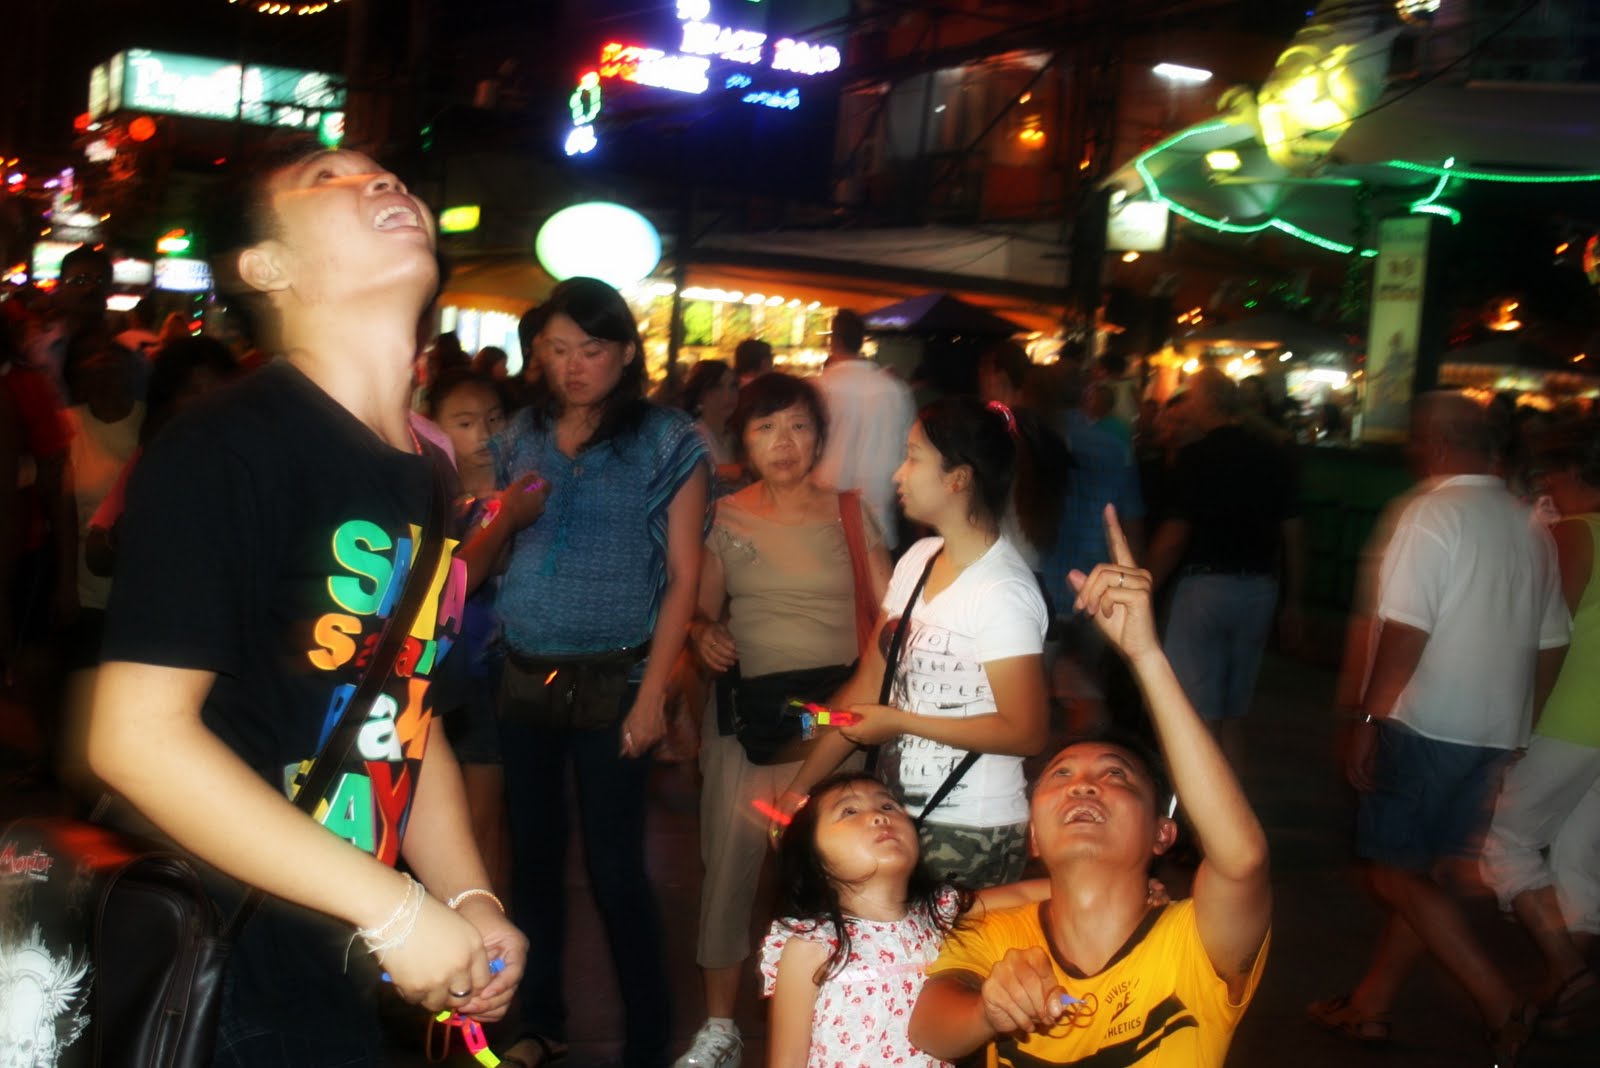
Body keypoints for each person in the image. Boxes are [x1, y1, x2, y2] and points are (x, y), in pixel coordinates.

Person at [85, 142, 532, 1066]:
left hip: (337, 965)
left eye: (385, 172)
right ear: (267, 266)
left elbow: (405, 717)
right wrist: (396, 909)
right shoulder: (227, 445)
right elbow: (134, 738)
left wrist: (469, 900)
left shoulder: (422, 472)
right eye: (329, 178)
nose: (383, 181)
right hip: (226, 962)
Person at [907, 505, 1272, 1066]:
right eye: (1060, 775)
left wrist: (1146, 656)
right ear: (1032, 836)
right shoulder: (998, 937)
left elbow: (1241, 859)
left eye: (1115, 775)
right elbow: (930, 1029)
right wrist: (988, 1012)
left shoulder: (1195, 943)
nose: (1083, 786)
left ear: (1163, 833)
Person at [1310, 392, 1569, 1062]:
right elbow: (1553, 642)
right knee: (1424, 877)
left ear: (1438, 443)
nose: (1413, 451)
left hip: (1425, 723)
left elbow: (1404, 631)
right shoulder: (1528, 524)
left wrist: (1368, 718)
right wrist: (1522, 726)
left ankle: (1500, 1004)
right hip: (1494, 732)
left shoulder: (1430, 513)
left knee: (1393, 874)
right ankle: (1371, 1005)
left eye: (1418, 439)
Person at [492, 275, 709, 1068]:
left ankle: (647, 1039)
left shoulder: (666, 439)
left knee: (617, 868)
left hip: (617, 678)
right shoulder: (520, 434)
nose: (573, 365)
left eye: (590, 348)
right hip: (522, 671)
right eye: (556, 349)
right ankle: (540, 1022)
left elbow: (683, 575)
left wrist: (654, 696)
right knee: (534, 861)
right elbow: (495, 539)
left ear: (624, 352)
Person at [675, 372, 892, 1068]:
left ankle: (846, 1015)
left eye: (799, 425)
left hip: (834, 725)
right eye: (766, 427)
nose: (784, 441)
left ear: (820, 438)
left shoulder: (850, 514)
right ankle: (720, 1028)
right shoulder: (725, 516)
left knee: (838, 872)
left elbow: (892, 617)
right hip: (749, 722)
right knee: (728, 872)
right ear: (744, 439)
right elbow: (701, 610)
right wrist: (702, 633)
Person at [778, 396, 1050, 889]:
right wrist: (798, 791)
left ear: (958, 478)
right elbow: (868, 686)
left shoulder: (1002, 591)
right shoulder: (918, 559)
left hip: (972, 828)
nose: (898, 474)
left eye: (913, 457)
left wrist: (900, 721)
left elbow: (1027, 732)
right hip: (900, 814)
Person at [762, 772, 1052, 1068]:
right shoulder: (813, 946)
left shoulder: (938, 914)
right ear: (814, 857)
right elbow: (786, 1060)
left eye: (888, 806)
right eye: (849, 811)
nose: (879, 816)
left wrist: (1081, 883)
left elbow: (1021, 895)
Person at [1481, 419, 1600, 1035]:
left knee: (1503, 840)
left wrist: (1518, 723)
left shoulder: (1576, 534)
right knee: (1578, 858)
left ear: (1576, 473)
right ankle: (1565, 995)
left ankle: (1568, 970)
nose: (1545, 483)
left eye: (1552, 472)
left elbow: (1547, 630)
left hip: (1571, 716)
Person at [1146, 368, 1303, 769]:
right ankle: (1230, 793)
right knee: (1234, 713)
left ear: (1207, 403)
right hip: (1260, 589)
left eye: (1191, 398)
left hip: (1205, 587)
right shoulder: (1273, 455)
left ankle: (1198, 799)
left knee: (1196, 710)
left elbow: (1176, 534)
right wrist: (1293, 601)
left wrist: (1144, 585)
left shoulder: (1197, 457)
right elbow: (1293, 531)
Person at [426, 369, 511, 899]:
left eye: (494, 419)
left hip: (491, 674)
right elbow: (455, 582)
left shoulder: (526, 491)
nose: (484, 435)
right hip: (431, 670)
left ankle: (485, 931)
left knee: (482, 826)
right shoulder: (429, 496)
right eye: (464, 422)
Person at [812, 309, 915, 550]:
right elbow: (908, 450)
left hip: (822, 523)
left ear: (834, 340)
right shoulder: (893, 390)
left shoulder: (816, 389)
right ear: (861, 340)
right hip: (879, 525)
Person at [680, 358, 744, 496]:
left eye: (733, 386)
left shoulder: (733, 437)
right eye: (717, 387)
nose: (728, 395)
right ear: (700, 394)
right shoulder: (691, 436)